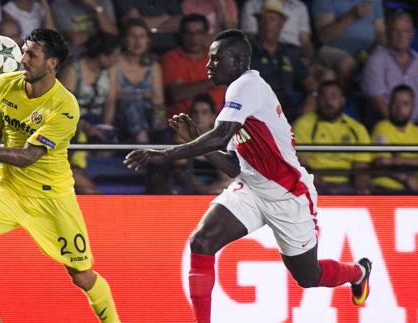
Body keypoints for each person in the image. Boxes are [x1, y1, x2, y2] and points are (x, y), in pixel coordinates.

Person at [124, 30, 371, 323]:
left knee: (308, 276)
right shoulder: (235, 97)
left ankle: (359, 271)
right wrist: (198, 138)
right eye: (209, 58)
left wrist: (164, 154)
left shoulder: (247, 85)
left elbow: (220, 137)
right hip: (252, 188)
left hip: (287, 195)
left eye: (216, 59)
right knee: (202, 242)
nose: (209, 65)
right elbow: (234, 166)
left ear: (238, 60)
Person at [0, 28, 119, 323]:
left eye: (31, 54)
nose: (22, 59)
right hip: (9, 188)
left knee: (81, 275)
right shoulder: (4, 85)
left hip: (52, 198)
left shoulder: (64, 106)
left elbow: (27, 157)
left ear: (52, 63)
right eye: (23, 51)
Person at [293, 80, 372, 195]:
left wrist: (361, 187)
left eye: (333, 96)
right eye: (323, 96)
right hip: (315, 185)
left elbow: (361, 167)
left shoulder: (357, 129)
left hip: (348, 186)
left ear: (343, 100)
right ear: (317, 100)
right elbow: (302, 165)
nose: (328, 101)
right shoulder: (303, 124)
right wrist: (321, 184)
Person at [249, 0, 306, 123]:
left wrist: (313, 95)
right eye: (263, 19)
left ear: (281, 24)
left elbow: (308, 82)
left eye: (272, 19)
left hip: (287, 113)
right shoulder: (248, 52)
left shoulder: (289, 53)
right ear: (258, 23)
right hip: (256, 112)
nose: (267, 23)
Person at [162, 14, 225, 119]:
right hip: (183, 122)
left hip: (217, 121)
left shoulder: (216, 57)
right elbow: (175, 94)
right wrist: (212, 82)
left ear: (205, 34)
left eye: (198, 33)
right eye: (188, 33)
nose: (193, 38)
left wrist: (190, 89)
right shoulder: (171, 58)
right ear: (181, 34)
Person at [361, 10, 418, 125]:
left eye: (405, 31)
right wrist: (401, 129)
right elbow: (377, 101)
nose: (401, 35)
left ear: (411, 34)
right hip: (388, 125)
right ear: (387, 33)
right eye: (395, 31)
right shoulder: (376, 61)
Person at [172, 93, 232, 194]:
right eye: (196, 112)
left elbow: (226, 174)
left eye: (204, 112)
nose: (199, 116)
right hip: (190, 187)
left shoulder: (220, 139)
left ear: (213, 117)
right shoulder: (182, 137)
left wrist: (208, 190)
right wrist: (202, 188)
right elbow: (181, 171)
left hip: (215, 187)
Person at [371, 84, 418, 193]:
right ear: (390, 104)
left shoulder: (416, 132)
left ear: (412, 107)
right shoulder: (382, 127)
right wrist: (406, 178)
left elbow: (388, 161)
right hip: (384, 190)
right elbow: (381, 162)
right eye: (396, 102)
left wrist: (395, 160)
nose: (399, 108)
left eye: (405, 104)